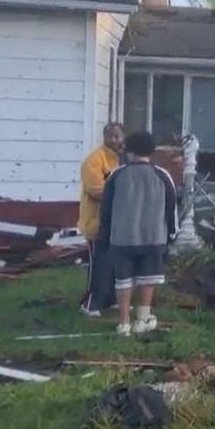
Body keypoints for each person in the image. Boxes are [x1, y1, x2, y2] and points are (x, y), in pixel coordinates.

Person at [96, 131, 177, 336]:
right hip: (153, 237)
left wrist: (103, 237)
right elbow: (171, 208)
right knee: (148, 277)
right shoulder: (162, 175)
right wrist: (172, 234)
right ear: (151, 151)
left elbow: (105, 210)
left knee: (123, 281)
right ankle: (142, 319)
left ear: (129, 151)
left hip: (122, 239)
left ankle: (123, 324)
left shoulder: (116, 175)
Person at [78, 122, 125, 316]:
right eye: (110, 136)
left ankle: (109, 299)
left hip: (116, 222)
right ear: (104, 137)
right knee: (99, 263)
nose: (114, 140)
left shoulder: (122, 159)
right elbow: (96, 190)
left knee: (114, 263)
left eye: (118, 136)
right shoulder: (95, 160)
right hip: (95, 221)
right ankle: (90, 302)